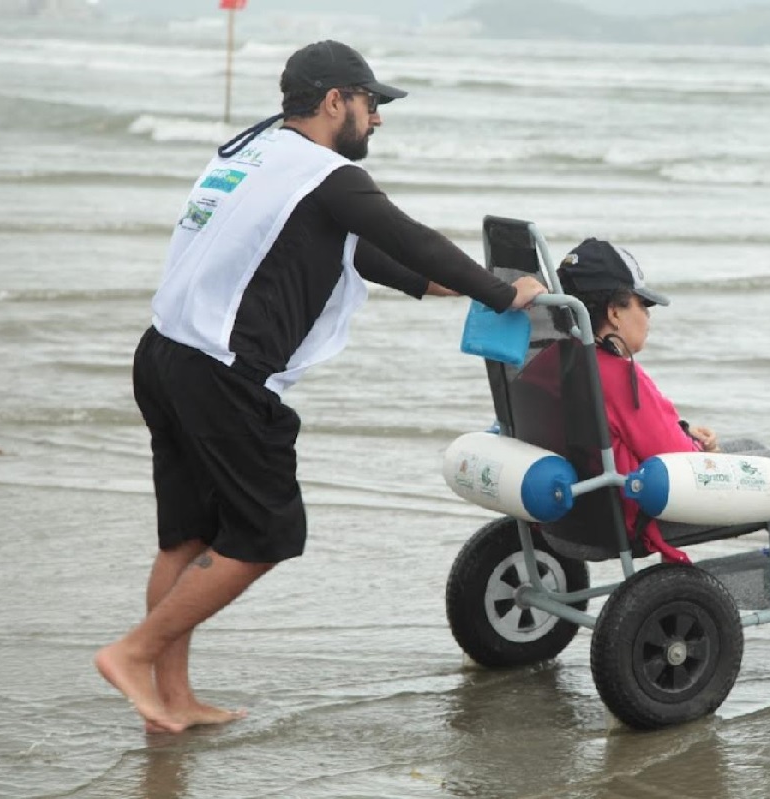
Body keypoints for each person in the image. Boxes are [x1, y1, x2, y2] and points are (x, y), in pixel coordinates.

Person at [95, 40, 545, 734]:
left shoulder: (251, 151)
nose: (378, 119)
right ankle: (134, 653)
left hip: (164, 354)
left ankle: (171, 698)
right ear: (335, 100)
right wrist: (500, 291)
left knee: (185, 537)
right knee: (267, 532)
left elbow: (355, 248)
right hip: (220, 373)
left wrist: (446, 286)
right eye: (371, 103)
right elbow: (408, 233)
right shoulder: (329, 173)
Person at [555, 238, 770, 633]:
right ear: (615, 312)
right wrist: (697, 448)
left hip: (576, 512)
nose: (649, 317)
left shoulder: (558, 360)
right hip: (630, 514)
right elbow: (676, 460)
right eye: (643, 305)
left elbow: (630, 432)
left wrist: (686, 435)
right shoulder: (619, 376)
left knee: (754, 449)